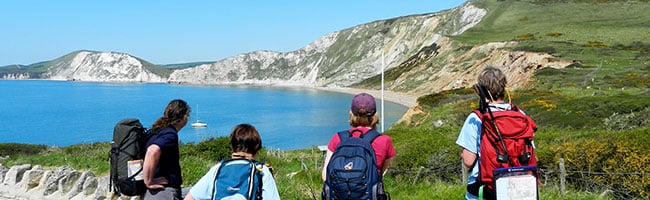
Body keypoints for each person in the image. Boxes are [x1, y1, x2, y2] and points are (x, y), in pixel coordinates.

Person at [456, 66, 521, 199]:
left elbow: (468, 160)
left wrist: (463, 153)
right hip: (518, 187)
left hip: (485, 187)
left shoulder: (477, 118)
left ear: (481, 91)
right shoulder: (519, 114)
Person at [184, 123, 280, 200]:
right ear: (256, 148)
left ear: (232, 146)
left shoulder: (218, 169)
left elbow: (190, 197)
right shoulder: (262, 170)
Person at [321, 92, 396, 181]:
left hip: (337, 193)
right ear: (375, 115)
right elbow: (380, 173)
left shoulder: (338, 138)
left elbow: (325, 175)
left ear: (352, 114)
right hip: (369, 194)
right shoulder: (385, 141)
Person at [142, 99, 191, 200]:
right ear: (184, 117)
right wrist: (148, 181)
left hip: (151, 193)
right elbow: (152, 151)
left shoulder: (156, 130)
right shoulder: (170, 135)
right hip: (165, 192)